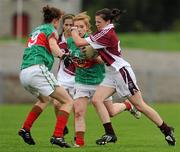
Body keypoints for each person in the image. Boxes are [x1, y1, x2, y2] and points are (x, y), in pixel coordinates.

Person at [70, 8, 176, 146]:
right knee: (97, 100)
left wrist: (73, 29)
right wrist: (94, 53)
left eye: (99, 21)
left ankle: (167, 130)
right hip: (110, 73)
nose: (97, 24)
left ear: (107, 21)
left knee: (140, 105)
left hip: (121, 72)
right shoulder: (103, 32)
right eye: (95, 22)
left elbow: (78, 42)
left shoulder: (106, 33)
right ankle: (110, 134)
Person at [68, 12, 141, 147]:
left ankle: (127, 105)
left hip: (100, 81)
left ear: (86, 28)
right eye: (75, 26)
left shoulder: (93, 40)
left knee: (111, 112)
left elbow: (105, 61)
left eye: (80, 27)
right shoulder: (70, 42)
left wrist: (94, 57)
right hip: (81, 82)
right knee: (78, 112)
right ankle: (79, 143)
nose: (77, 29)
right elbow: (67, 56)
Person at [18, 6, 74, 148]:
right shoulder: (51, 29)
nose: (59, 24)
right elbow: (53, 46)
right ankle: (58, 135)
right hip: (37, 70)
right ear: (55, 20)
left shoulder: (36, 30)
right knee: (68, 101)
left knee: (44, 99)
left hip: (24, 73)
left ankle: (26, 128)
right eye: (60, 21)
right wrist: (63, 55)